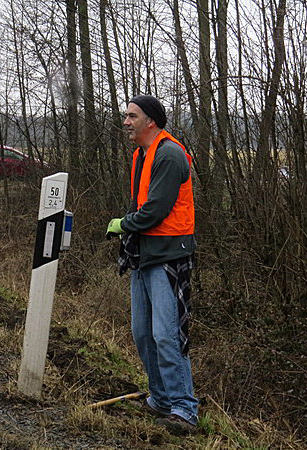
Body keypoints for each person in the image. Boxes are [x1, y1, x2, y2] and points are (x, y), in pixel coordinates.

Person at [106, 95, 198, 434]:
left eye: (132, 116)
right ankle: (160, 399)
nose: (126, 122)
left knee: (167, 334)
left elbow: (155, 210)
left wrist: (123, 224)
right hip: (144, 255)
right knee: (142, 333)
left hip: (170, 256)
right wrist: (131, 231)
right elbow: (141, 203)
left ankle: (184, 409)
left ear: (151, 121)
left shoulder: (170, 155)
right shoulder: (141, 155)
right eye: (126, 116)